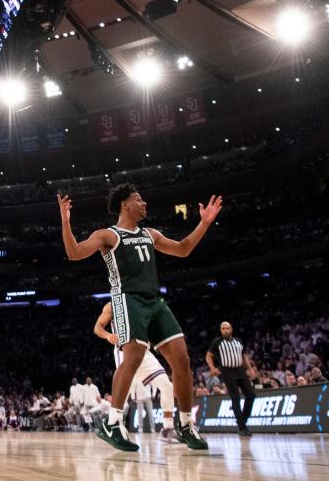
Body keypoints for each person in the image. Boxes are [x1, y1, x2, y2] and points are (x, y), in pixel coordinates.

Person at [59, 184, 222, 451]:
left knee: (181, 358)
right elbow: (74, 253)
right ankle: (112, 423)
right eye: (138, 199)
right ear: (125, 205)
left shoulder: (150, 234)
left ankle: (183, 424)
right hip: (127, 299)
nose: (144, 203)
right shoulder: (108, 235)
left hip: (154, 301)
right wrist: (66, 223)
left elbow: (183, 249)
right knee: (132, 357)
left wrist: (204, 223)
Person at [94, 302, 178, 442]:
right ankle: (113, 425)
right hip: (125, 351)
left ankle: (167, 429)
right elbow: (97, 327)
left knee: (167, 386)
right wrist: (108, 336)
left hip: (145, 352)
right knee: (123, 396)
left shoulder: (146, 302)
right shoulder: (113, 304)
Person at [206, 321, 256, 437]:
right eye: (223, 328)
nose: (225, 330)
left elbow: (243, 356)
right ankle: (242, 428)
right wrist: (212, 368)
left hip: (240, 370)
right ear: (220, 330)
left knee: (251, 395)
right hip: (227, 372)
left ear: (231, 329)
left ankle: (242, 419)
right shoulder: (217, 342)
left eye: (227, 328)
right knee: (235, 398)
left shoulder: (238, 341)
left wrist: (250, 369)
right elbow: (208, 356)